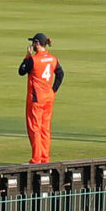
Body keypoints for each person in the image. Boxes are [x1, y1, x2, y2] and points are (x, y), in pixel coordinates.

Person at [19, 32, 64, 164]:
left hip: (36, 99)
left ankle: (36, 159)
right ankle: (45, 158)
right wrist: (53, 90)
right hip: (48, 98)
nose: (32, 45)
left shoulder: (33, 60)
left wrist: (27, 56)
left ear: (37, 43)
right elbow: (60, 74)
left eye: (33, 42)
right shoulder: (52, 58)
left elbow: (21, 71)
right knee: (45, 128)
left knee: (35, 128)